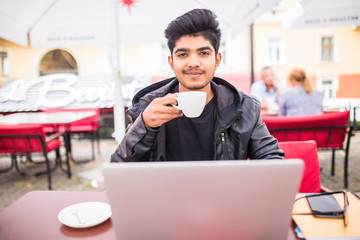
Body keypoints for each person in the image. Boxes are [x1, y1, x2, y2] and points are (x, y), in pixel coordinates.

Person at [111, 8, 283, 162]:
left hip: (225, 196)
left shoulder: (243, 107)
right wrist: (144, 125)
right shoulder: (147, 107)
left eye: (203, 53)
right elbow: (119, 169)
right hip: (165, 197)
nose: (193, 62)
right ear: (171, 62)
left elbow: (273, 160)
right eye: (183, 54)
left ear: (217, 60)